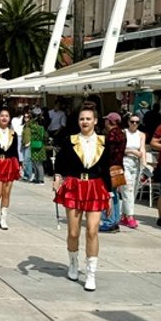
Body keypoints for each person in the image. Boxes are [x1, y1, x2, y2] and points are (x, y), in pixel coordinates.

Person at [53, 104, 112, 292]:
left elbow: (108, 169)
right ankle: (73, 263)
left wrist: (110, 194)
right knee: (73, 232)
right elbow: (60, 163)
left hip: (95, 186)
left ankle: (91, 273)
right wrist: (57, 178)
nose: (84, 122)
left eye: (88, 118)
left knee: (93, 231)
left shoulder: (103, 142)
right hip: (74, 185)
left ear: (95, 121)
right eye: (81, 119)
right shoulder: (70, 140)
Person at [99, 112, 127, 233]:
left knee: (107, 194)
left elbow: (107, 153)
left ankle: (108, 221)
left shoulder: (111, 135)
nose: (105, 122)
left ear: (110, 122)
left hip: (109, 168)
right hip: (119, 167)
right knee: (114, 195)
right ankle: (115, 221)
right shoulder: (122, 133)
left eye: (106, 120)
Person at [119, 114, 146, 229]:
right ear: (128, 122)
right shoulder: (123, 132)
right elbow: (119, 149)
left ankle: (124, 215)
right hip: (125, 162)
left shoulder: (141, 134)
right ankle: (130, 216)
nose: (134, 124)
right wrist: (132, 151)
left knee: (134, 190)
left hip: (136, 164)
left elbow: (142, 149)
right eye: (132, 121)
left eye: (137, 122)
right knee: (127, 189)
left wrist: (144, 163)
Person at [27, 113, 48, 184]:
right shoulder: (42, 128)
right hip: (41, 147)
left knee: (36, 164)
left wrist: (35, 118)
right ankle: (39, 178)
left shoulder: (34, 127)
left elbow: (29, 123)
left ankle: (39, 179)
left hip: (34, 147)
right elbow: (46, 137)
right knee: (39, 164)